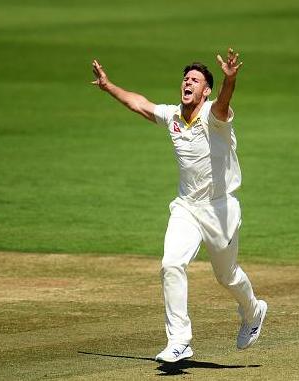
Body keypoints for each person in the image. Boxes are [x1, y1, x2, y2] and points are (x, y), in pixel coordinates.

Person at [91, 48, 267, 363]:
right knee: (171, 264)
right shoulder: (173, 116)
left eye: (195, 80)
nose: (188, 83)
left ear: (206, 90)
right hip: (186, 207)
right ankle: (180, 340)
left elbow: (225, 103)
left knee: (226, 276)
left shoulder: (215, 116)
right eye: (185, 79)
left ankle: (254, 311)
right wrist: (108, 87)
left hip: (219, 210)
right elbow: (139, 104)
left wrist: (231, 79)